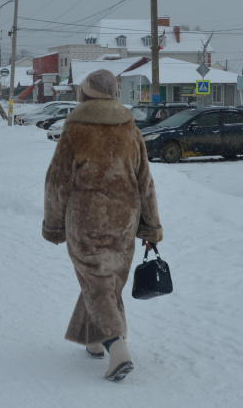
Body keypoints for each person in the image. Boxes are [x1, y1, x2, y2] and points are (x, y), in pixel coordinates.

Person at [42, 69, 163, 382]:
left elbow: (57, 180)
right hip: (124, 220)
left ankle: (115, 345)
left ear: (85, 95)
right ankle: (94, 341)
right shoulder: (130, 130)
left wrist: (53, 225)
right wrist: (150, 226)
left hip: (86, 219)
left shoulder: (75, 129)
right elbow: (144, 181)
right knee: (105, 282)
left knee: (97, 280)